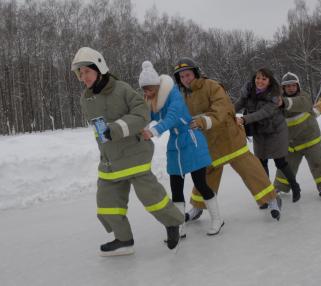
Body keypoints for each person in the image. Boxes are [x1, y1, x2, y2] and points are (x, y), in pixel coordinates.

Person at [71, 47, 184, 256]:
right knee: (106, 203)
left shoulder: (121, 89)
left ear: (99, 68)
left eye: (87, 71)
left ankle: (172, 224)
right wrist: (104, 151)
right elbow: (99, 132)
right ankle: (124, 239)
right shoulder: (85, 99)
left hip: (134, 154)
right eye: (80, 73)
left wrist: (114, 129)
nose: (83, 77)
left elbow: (142, 114)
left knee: (152, 197)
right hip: (110, 159)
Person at [173, 57, 282, 221]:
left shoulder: (212, 86)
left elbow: (221, 109)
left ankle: (272, 199)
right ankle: (197, 207)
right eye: (181, 77)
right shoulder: (184, 96)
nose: (185, 79)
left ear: (195, 73)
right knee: (206, 176)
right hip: (209, 143)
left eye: (188, 75)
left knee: (251, 170)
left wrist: (202, 121)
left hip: (229, 138)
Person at [139, 60, 224, 235]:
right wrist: (138, 125)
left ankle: (217, 218)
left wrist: (153, 131)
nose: (146, 92)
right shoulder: (154, 100)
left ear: (156, 85)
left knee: (201, 183)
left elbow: (171, 118)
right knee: (176, 186)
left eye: (149, 88)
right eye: (144, 89)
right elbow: (149, 116)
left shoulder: (174, 94)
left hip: (192, 139)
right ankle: (179, 225)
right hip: (175, 144)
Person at [234, 68, 301, 203]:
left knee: (280, 162)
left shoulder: (275, 96)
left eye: (264, 79)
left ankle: (295, 186)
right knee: (261, 163)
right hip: (260, 132)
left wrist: (244, 119)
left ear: (269, 81)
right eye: (258, 78)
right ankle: (269, 196)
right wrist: (226, 112)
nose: (260, 81)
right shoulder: (248, 92)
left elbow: (263, 113)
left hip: (276, 131)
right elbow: (238, 104)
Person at [274, 72, 321, 201]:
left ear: (298, 86)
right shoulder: (278, 103)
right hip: (292, 144)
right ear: (283, 88)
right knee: (286, 167)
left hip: (310, 140)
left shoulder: (304, 97)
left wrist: (283, 102)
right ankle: (280, 187)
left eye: (293, 86)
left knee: (318, 164)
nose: (291, 88)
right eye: (287, 86)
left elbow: (300, 103)